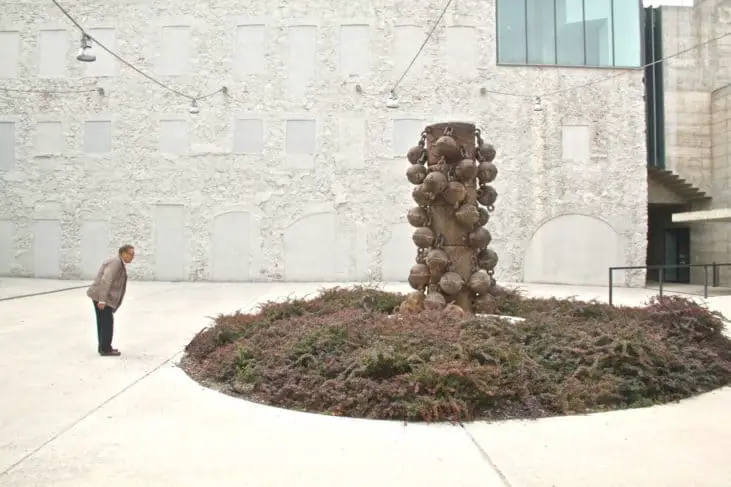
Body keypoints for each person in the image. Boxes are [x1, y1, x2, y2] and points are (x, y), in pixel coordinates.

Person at [86, 244, 135, 356]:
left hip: (102, 296)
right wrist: (102, 300)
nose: (132, 257)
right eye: (130, 254)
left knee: (103, 322)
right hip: (103, 297)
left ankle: (104, 348)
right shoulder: (115, 262)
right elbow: (106, 280)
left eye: (133, 255)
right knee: (106, 323)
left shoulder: (118, 262)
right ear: (123, 253)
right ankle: (105, 349)